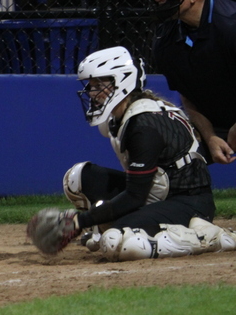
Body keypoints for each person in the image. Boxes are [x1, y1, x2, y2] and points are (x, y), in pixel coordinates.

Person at [28, 46, 236, 261]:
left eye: (99, 85)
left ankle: (213, 237)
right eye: (91, 86)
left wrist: (80, 221)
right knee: (77, 178)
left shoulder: (143, 125)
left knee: (118, 241)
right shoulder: (122, 115)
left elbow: (135, 196)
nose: (91, 93)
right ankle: (110, 226)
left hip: (188, 203)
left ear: (122, 83)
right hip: (157, 191)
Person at [139, 0, 236, 166]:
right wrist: (209, 137)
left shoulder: (230, 25)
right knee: (167, 154)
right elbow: (187, 95)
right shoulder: (165, 40)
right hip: (217, 123)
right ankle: (191, 199)